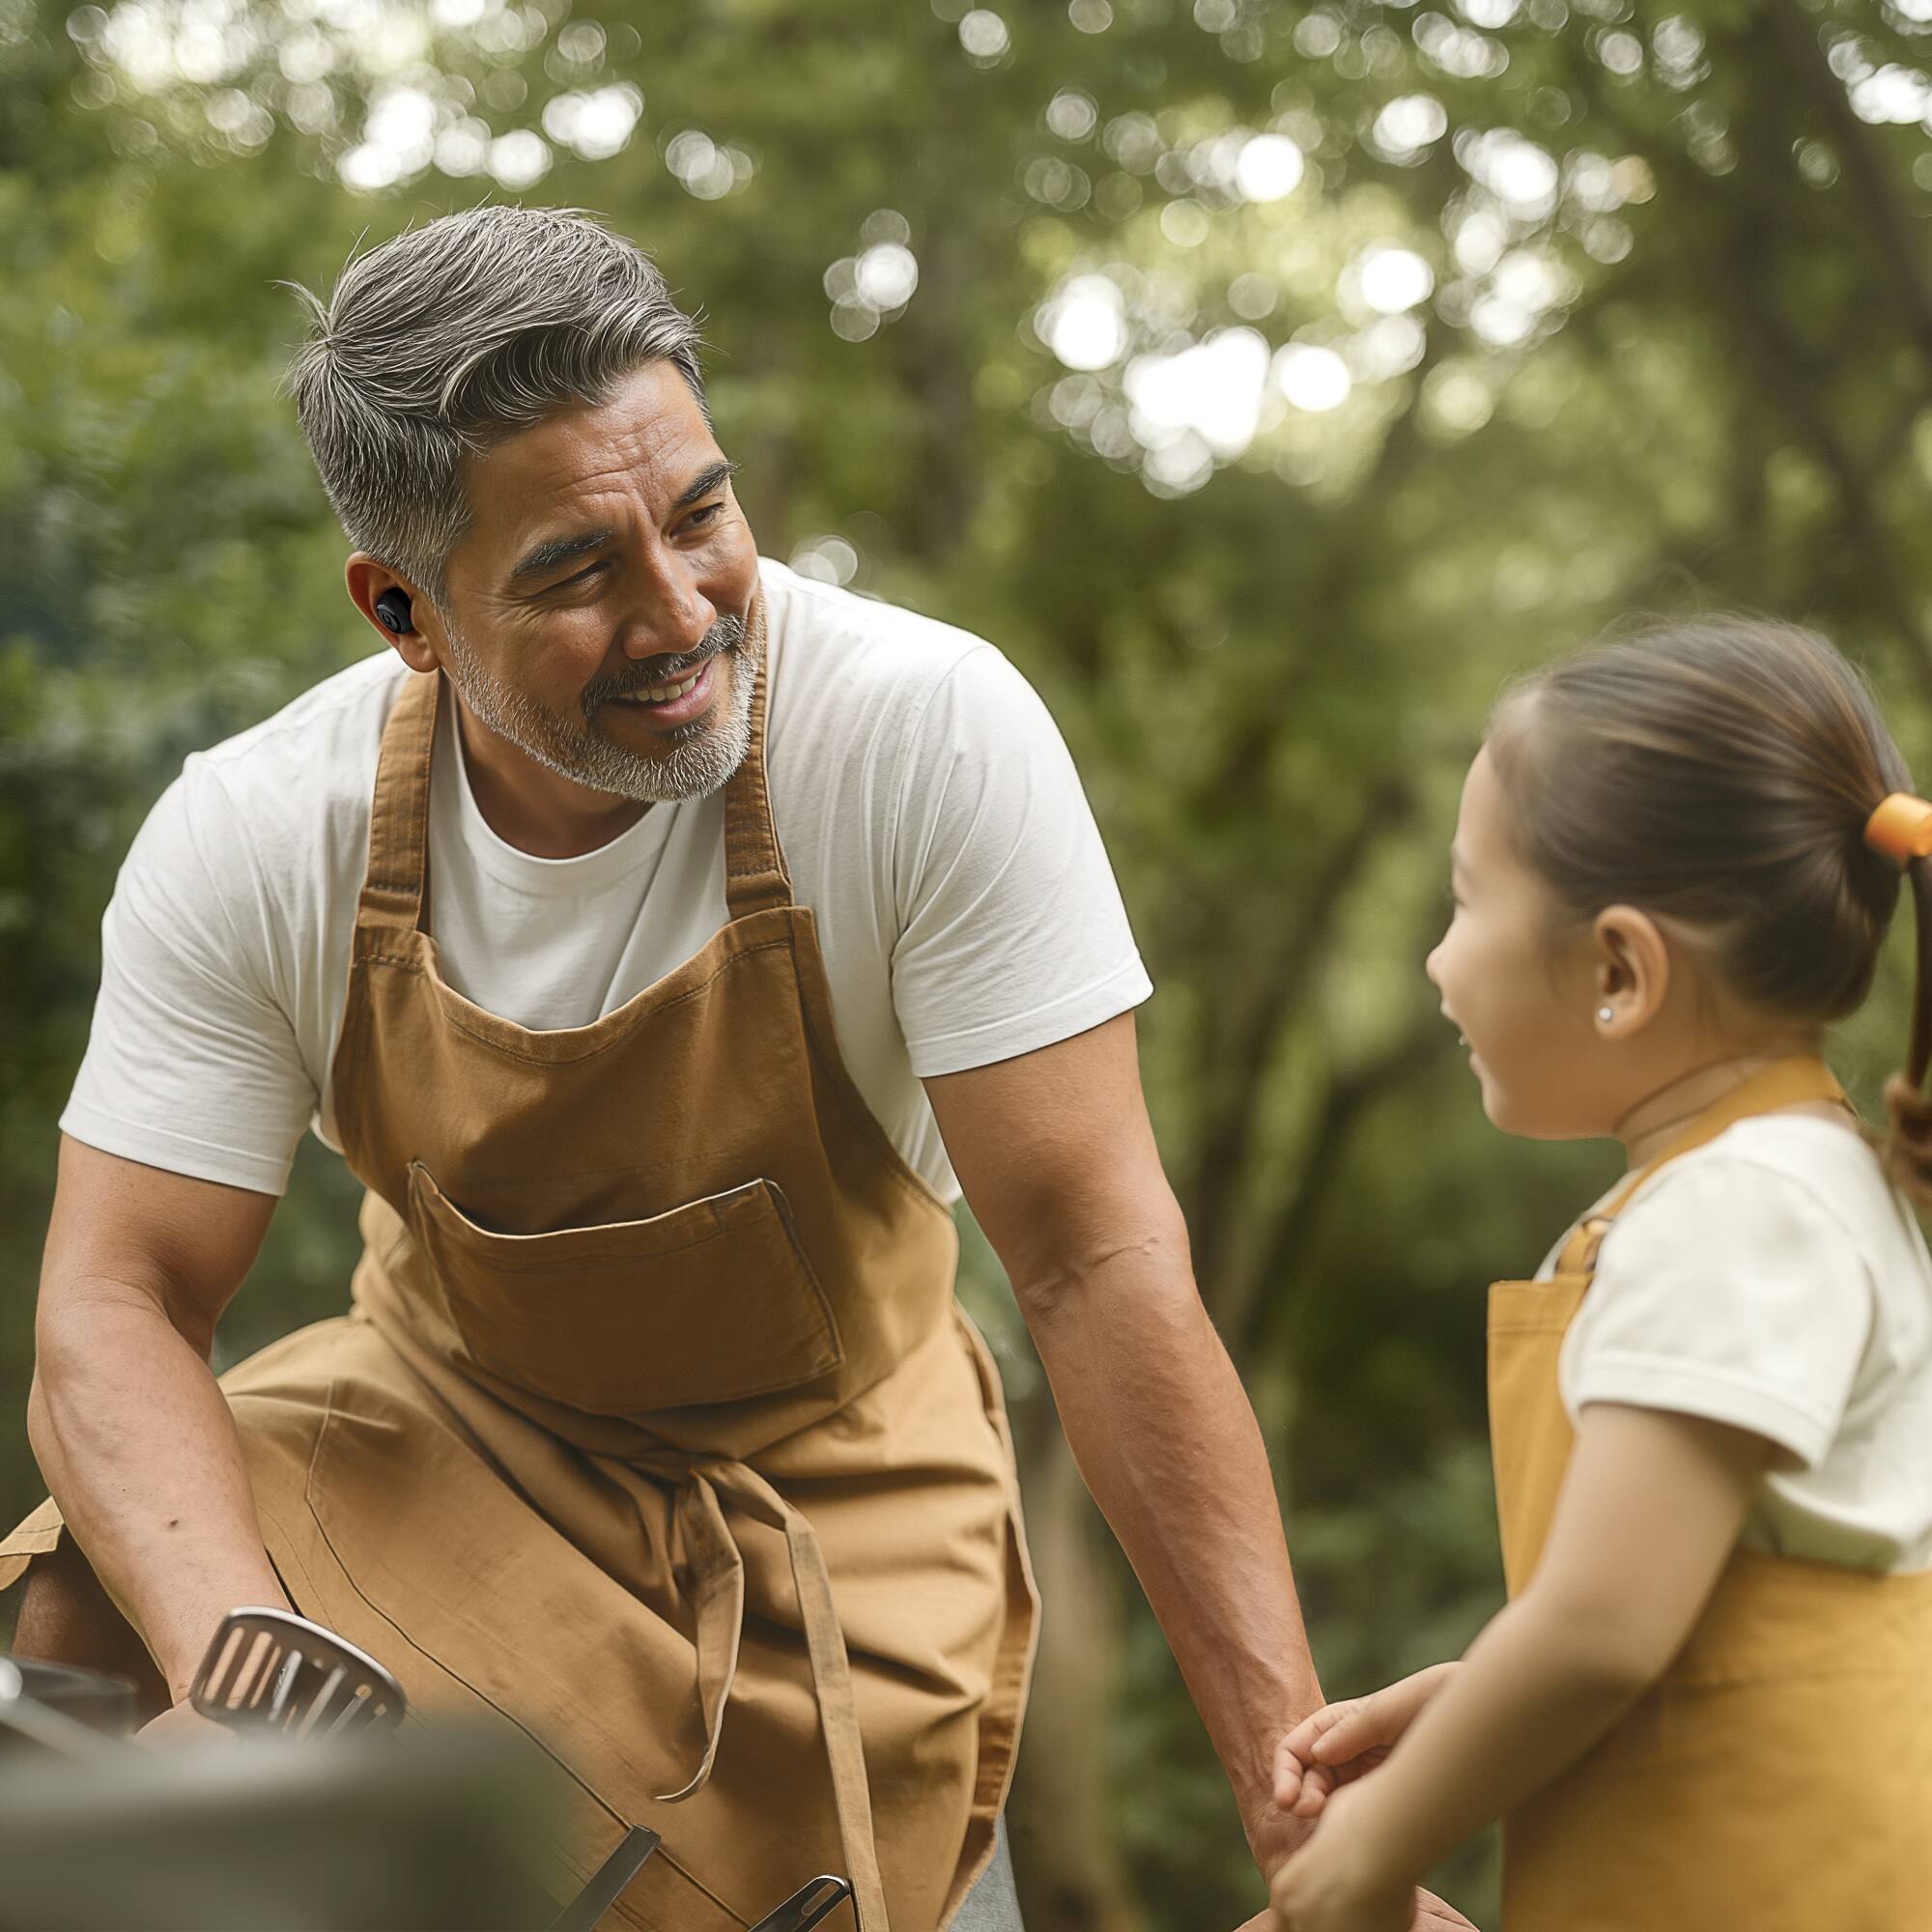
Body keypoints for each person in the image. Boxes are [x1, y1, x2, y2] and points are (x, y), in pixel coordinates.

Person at [0, 205, 1469, 1932]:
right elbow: (115, 1305)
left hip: (830, 1506)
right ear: (405, 608)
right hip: (435, 1444)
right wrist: (241, 1689)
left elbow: (1093, 1264)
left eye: (703, 515)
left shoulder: (918, 733)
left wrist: (1311, 1831)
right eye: (573, 572)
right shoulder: (260, 832)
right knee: (60, 1701)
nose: (684, 611)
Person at [1266, 615, 1932, 1930]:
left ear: (1620, 967)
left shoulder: (1737, 1212)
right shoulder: (1790, 1187)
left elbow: (1601, 1632)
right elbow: (1711, 1617)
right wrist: (1478, 1699)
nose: (1438, 959)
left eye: (1464, 899)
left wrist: (1357, 1866)